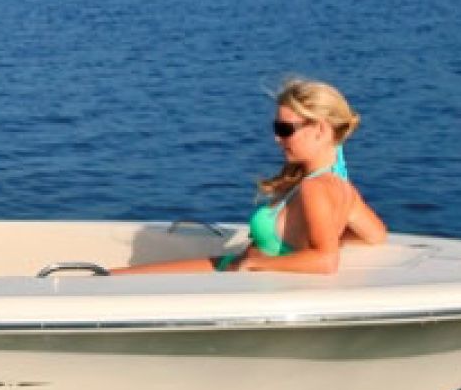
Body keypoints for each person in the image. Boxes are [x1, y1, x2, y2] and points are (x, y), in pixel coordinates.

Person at [116, 79, 385, 275]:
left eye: (285, 129)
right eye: (276, 127)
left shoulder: (316, 188)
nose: (277, 138)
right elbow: (376, 235)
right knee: (114, 276)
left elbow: (325, 261)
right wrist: (329, 233)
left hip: (236, 275)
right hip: (228, 266)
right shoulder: (339, 182)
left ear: (321, 130)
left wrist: (260, 263)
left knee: (115, 281)